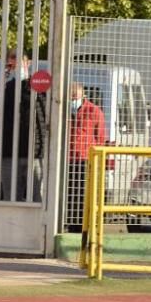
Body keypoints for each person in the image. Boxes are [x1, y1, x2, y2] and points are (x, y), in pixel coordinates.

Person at [0, 53, 46, 202]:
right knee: (10, 197)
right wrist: (4, 80)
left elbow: (43, 110)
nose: (16, 68)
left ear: (29, 63)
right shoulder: (6, 87)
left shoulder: (38, 85)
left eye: (20, 64)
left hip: (34, 152)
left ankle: (40, 226)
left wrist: (26, 82)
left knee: (38, 198)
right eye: (12, 65)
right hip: (9, 152)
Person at [66, 82, 106, 232]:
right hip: (66, 159)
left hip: (84, 159)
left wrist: (98, 160)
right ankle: (69, 224)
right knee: (68, 194)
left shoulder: (94, 111)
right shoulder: (62, 109)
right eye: (70, 95)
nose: (72, 98)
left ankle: (83, 226)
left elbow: (100, 137)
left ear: (83, 94)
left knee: (83, 194)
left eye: (75, 95)